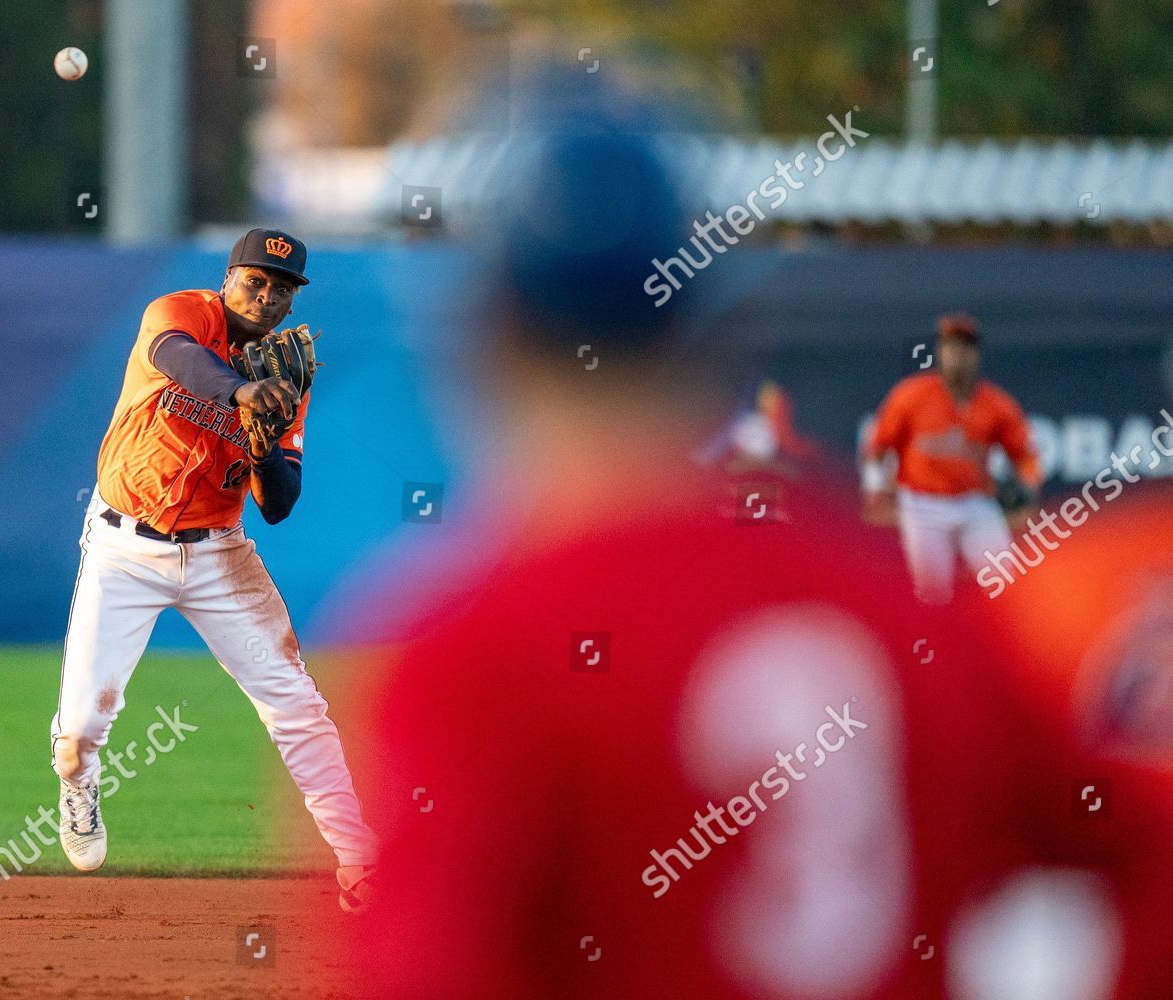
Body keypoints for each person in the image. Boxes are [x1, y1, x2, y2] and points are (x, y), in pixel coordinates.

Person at [328, 87, 1172, 999]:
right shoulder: (907, 616)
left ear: (483, 340)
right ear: (718, 331)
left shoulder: (475, 652)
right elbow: (1143, 858)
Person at [49, 228, 377, 912]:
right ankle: (78, 786)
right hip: (124, 547)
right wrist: (242, 394)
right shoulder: (178, 313)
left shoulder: (288, 379)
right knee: (81, 727)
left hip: (219, 554)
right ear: (228, 279)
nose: (265, 295)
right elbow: (179, 360)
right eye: (254, 280)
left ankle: (362, 861)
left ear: (291, 304)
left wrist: (263, 449)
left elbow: (280, 504)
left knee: (296, 708)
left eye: (280, 289)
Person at [862, 314, 1042, 603]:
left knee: (1007, 584)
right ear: (940, 352)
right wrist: (873, 487)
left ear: (977, 354)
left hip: (975, 504)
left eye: (965, 348)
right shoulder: (912, 395)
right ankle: (928, 648)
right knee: (931, 594)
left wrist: (1028, 484)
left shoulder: (996, 404)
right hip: (923, 505)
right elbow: (877, 446)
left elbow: (1026, 456)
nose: (958, 356)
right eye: (951, 347)